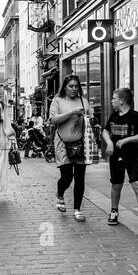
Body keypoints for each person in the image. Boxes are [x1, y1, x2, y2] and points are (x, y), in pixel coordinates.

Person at [105, 88, 138, 231]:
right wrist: (109, 142)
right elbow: (105, 131)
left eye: (114, 98)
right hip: (116, 156)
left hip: (133, 156)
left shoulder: (135, 116)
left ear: (121, 101)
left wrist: (127, 140)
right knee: (116, 185)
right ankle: (114, 212)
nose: (112, 101)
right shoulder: (114, 115)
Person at [50, 74, 91, 221]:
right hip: (62, 144)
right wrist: (72, 112)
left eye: (76, 86)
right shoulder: (58, 101)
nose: (74, 89)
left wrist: (89, 119)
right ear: (65, 87)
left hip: (80, 145)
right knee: (67, 177)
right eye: (70, 86)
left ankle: (77, 209)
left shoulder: (83, 101)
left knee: (80, 178)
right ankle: (60, 194)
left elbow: (89, 120)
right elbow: (53, 120)